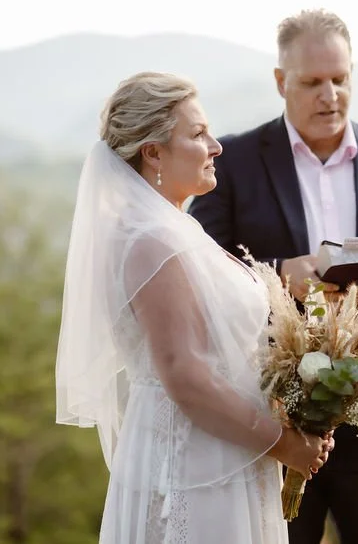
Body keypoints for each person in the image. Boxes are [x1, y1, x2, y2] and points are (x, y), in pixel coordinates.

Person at [189, 9, 358, 544]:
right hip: (272, 418)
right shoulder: (233, 162)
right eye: (312, 82)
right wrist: (279, 276)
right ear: (280, 81)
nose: (330, 95)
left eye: (340, 79)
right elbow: (196, 268)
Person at [55, 71, 333, 544]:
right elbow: (187, 378)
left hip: (229, 450)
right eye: (199, 134)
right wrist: (285, 445)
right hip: (193, 467)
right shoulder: (152, 242)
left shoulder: (176, 229)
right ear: (153, 152)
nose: (216, 146)